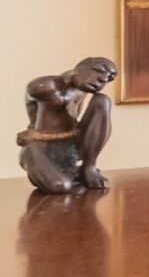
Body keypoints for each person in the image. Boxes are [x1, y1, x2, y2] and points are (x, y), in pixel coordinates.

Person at [18, 58, 115, 193]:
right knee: (60, 186)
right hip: (43, 147)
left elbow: (74, 124)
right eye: (99, 70)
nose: (103, 79)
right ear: (80, 67)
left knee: (103, 100)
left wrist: (73, 134)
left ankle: (88, 168)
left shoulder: (82, 88)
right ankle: (67, 173)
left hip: (70, 145)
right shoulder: (43, 87)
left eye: (109, 78)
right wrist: (35, 134)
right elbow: (33, 123)